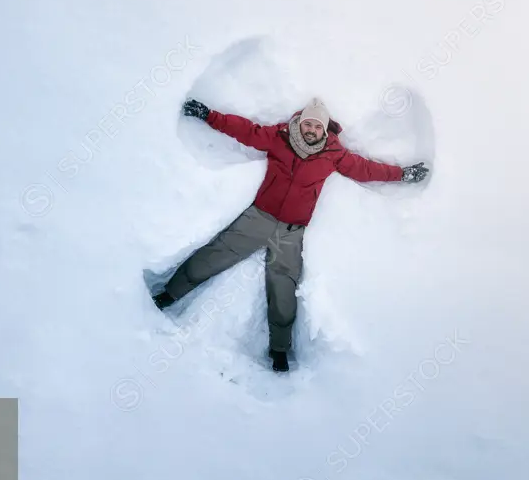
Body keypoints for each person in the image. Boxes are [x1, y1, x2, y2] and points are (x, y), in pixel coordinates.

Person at [151, 97, 430, 372]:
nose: (311, 130)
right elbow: (246, 131)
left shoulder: (335, 155)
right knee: (217, 254)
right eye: (308, 124)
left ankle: (280, 350)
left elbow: (367, 169)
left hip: (291, 232)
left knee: (283, 286)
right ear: (300, 123)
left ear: (325, 130)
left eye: (317, 127)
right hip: (258, 218)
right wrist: (208, 115)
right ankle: (170, 294)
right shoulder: (279, 137)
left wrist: (402, 174)